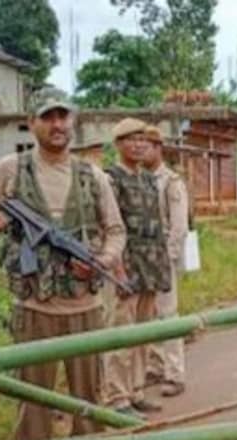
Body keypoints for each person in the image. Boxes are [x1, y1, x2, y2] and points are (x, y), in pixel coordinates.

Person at [0, 88, 128, 440]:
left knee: (87, 394)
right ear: (32, 122)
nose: (58, 125)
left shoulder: (93, 176)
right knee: (34, 395)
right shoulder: (12, 169)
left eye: (64, 117)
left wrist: (101, 260)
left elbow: (115, 231)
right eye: (49, 117)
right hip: (33, 307)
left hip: (83, 306)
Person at [103, 118, 173, 415]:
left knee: (143, 333)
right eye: (131, 139)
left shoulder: (147, 179)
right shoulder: (111, 179)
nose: (139, 144)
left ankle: (135, 390)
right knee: (121, 334)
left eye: (143, 139)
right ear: (118, 144)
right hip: (125, 266)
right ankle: (116, 397)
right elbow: (109, 228)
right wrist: (118, 272)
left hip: (150, 265)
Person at [143, 125, 190, 397]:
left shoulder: (171, 181)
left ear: (158, 148)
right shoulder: (139, 178)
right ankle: (155, 366)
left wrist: (169, 258)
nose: (141, 150)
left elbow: (179, 226)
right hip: (142, 258)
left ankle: (175, 373)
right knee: (148, 315)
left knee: (168, 316)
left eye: (146, 145)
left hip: (162, 256)